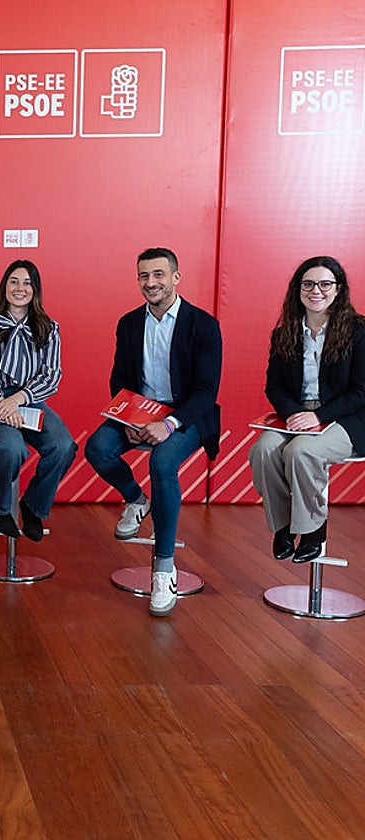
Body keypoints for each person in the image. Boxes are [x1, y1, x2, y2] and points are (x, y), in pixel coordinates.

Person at [83, 247, 222, 617]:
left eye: (159, 275)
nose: (151, 283)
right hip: (138, 414)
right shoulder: (129, 323)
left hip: (186, 416)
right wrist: (128, 418)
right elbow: (120, 379)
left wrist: (169, 424)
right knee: (97, 448)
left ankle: (164, 568)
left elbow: (207, 392)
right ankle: (136, 499)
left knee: (162, 463)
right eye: (144, 276)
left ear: (176, 277)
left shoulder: (204, 325)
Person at [248, 256, 365, 563]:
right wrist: (291, 415)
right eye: (309, 283)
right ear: (298, 289)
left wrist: (319, 416)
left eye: (325, 283)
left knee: (300, 451)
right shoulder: (284, 333)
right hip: (297, 415)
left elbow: (361, 392)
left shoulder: (359, 331)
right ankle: (283, 527)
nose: (317, 290)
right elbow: (274, 387)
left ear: (338, 290)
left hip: (347, 417)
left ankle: (313, 530)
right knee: (263, 449)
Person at [0, 260, 76, 540]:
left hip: (30, 402)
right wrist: (2, 405)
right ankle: (0, 507)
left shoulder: (49, 329)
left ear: (35, 290)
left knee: (64, 446)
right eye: (14, 281)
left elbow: (51, 377)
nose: (20, 288)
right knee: (11, 447)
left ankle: (33, 506)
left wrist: (18, 400)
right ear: (4, 286)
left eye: (27, 283)